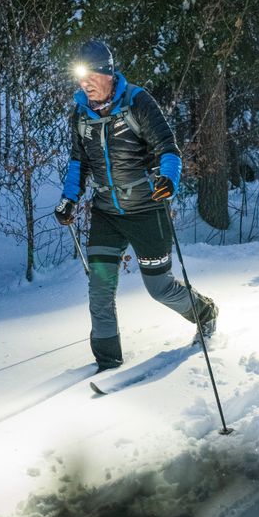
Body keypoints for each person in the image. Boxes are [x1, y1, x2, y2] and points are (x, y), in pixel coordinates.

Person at [53, 40, 218, 371]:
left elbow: (167, 147)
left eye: (91, 77)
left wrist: (168, 179)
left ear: (108, 73)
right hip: (106, 213)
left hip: (145, 210)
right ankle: (107, 362)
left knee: (159, 288)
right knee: (100, 288)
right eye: (80, 78)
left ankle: (204, 312)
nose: (85, 84)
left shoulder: (138, 102)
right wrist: (69, 198)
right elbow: (78, 161)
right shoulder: (80, 114)